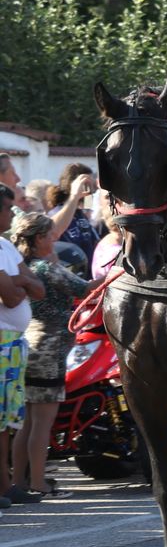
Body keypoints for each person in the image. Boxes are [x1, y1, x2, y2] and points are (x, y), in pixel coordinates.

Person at [10, 213, 101, 500]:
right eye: (50, 235)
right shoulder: (47, 269)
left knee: (26, 423)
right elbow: (86, 288)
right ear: (38, 239)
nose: (56, 239)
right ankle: (40, 484)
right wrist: (118, 272)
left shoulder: (27, 267)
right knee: (42, 423)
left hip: (32, 344)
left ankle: (20, 482)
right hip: (50, 350)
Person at [0, 185, 45, 507]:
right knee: (2, 420)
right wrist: (21, 282)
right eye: (7, 208)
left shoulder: (5, 245)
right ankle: (4, 486)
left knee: (10, 420)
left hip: (14, 344)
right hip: (2, 344)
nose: (10, 213)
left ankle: (9, 484)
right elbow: (13, 296)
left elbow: (37, 288)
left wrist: (19, 281)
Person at [47, 164, 100, 263]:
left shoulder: (81, 213)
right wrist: (74, 195)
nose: (92, 187)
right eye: (87, 183)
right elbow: (53, 231)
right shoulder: (57, 212)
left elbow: (88, 210)